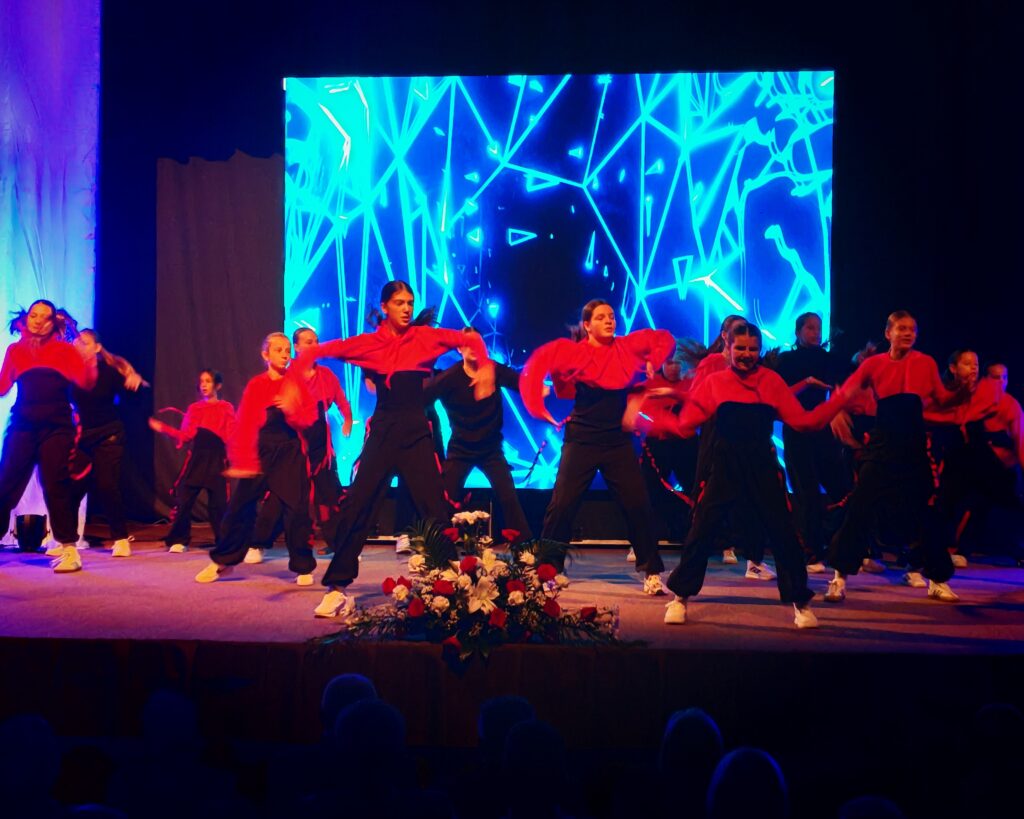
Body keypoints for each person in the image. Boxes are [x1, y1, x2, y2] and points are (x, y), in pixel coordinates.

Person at [295, 280, 495, 618]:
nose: (406, 308)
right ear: (385, 306)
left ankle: (453, 579)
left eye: (410, 302)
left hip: (416, 432)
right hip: (384, 432)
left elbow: (470, 338)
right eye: (399, 302)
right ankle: (338, 588)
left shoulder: (425, 338)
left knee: (433, 505)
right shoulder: (368, 343)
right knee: (359, 504)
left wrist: (486, 368)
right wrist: (293, 384)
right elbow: (317, 352)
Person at [635, 322, 852, 628]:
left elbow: (804, 422)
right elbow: (685, 426)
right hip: (724, 464)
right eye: (740, 348)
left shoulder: (772, 382)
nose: (747, 354)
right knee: (701, 531)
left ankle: (800, 603)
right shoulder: (715, 382)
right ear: (729, 348)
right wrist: (649, 420)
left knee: (783, 534)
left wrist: (840, 400)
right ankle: (680, 597)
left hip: (763, 465)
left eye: (753, 349)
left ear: (759, 350)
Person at [520, 299, 676, 594]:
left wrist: (653, 361)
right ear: (587, 325)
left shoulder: (626, 347)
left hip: (616, 440)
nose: (609, 320)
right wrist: (540, 402)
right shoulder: (574, 353)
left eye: (612, 316)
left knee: (638, 504)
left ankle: (652, 571)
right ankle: (549, 569)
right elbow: (538, 365)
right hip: (582, 438)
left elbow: (665, 339)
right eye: (601, 317)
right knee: (562, 504)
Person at [825, 311, 965, 604]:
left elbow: (941, 399)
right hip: (883, 443)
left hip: (913, 445)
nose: (908, 333)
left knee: (925, 513)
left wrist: (962, 388)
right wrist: (834, 411)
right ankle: (839, 578)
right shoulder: (873, 364)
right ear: (888, 333)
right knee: (859, 508)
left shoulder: (926, 363)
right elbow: (846, 392)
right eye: (902, 328)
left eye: (912, 329)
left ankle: (937, 579)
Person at [192, 333, 318, 585]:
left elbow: (309, 419)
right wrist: (243, 460)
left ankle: (303, 566)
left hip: (288, 451)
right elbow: (245, 424)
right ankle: (223, 560)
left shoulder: (296, 382)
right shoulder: (256, 385)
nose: (285, 354)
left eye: (287, 350)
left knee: (296, 510)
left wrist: (291, 410)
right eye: (278, 350)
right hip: (261, 451)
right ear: (265, 355)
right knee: (239, 508)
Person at [0, 300, 96, 573]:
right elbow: (3, 387)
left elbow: (86, 383)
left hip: (57, 425)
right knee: (6, 483)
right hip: (23, 424)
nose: (38, 321)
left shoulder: (64, 350)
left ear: (53, 322)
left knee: (56, 484)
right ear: (27, 318)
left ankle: (69, 550)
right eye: (34, 315)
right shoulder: (15, 350)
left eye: (45, 317)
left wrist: (88, 359)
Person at [245, 327, 353, 563]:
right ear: (297, 347)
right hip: (293, 442)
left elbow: (341, 400)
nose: (314, 346)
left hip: (320, 443)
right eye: (308, 342)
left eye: (316, 341)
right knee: (280, 495)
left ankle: (340, 545)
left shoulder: (325, 375)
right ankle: (259, 543)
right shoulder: (288, 373)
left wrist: (347, 420)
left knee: (329, 494)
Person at [424, 327, 533, 541]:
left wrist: (539, 389)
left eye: (478, 344)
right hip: (460, 449)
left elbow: (522, 382)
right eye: (468, 344)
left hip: (491, 449)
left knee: (508, 498)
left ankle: (525, 549)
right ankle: (435, 549)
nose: (473, 348)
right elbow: (421, 397)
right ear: (459, 348)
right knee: (444, 499)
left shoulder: (493, 369)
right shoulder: (449, 377)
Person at [773, 312, 851, 572]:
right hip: (797, 430)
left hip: (822, 429)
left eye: (818, 328)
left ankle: (845, 548)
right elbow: (779, 395)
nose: (815, 333)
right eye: (810, 328)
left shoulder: (829, 359)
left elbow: (845, 384)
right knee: (806, 492)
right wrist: (805, 384)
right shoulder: (786, 360)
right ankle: (812, 552)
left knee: (841, 488)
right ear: (798, 331)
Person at [68, 329, 145, 558]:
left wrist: (135, 381)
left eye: (84, 342)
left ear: (97, 348)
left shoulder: (109, 372)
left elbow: (135, 396)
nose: (78, 345)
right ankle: (67, 542)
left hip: (109, 435)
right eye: (77, 341)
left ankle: (120, 539)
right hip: (83, 437)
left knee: (107, 484)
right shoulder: (72, 373)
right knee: (72, 488)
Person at [149, 369, 235, 552]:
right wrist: (164, 428)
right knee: (184, 500)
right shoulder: (195, 408)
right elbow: (186, 435)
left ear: (218, 385)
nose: (203, 385)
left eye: (208, 381)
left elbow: (230, 435)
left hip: (217, 459)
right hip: (197, 458)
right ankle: (179, 540)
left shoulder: (226, 407)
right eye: (201, 381)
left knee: (219, 504)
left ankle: (224, 541)